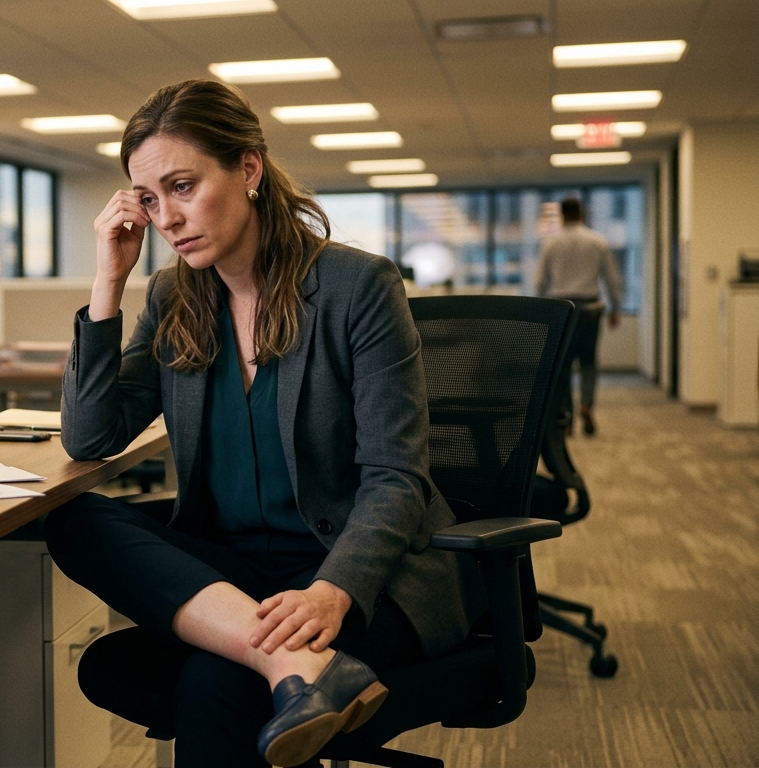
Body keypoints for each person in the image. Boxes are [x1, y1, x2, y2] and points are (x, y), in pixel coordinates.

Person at [43, 80, 485, 768]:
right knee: (72, 519)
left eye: (184, 186)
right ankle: (294, 668)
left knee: (215, 681)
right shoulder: (173, 296)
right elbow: (91, 437)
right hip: (233, 573)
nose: (167, 217)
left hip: (357, 573)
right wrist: (109, 283)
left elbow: (396, 478)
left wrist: (330, 594)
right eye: (151, 199)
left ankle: (274, 660)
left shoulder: (356, 288)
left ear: (248, 169)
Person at [534, 197, 623, 436]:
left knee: (562, 365)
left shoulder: (551, 243)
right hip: (590, 310)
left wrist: (542, 312)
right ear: (582, 213)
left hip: (562, 309)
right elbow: (612, 279)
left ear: (562, 215)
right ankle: (586, 404)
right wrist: (616, 308)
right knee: (588, 362)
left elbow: (540, 281)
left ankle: (567, 418)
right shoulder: (597, 241)